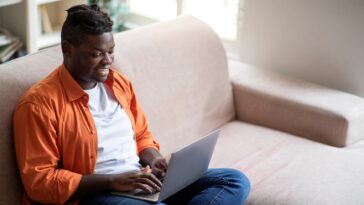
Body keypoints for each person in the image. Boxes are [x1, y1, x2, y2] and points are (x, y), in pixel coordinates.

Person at [13, 4, 250, 205]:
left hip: (140, 179)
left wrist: (155, 160)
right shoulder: (39, 105)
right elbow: (40, 182)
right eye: (97, 53)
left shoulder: (118, 84)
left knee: (234, 180)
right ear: (68, 50)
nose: (107, 60)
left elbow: (141, 135)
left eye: (111, 51)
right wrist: (113, 181)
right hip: (95, 195)